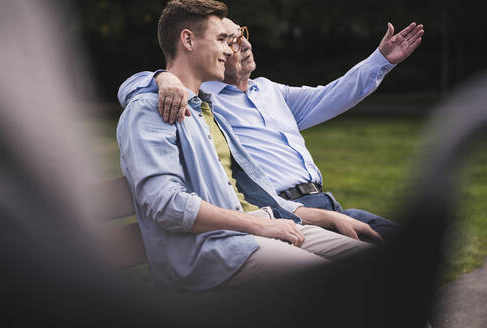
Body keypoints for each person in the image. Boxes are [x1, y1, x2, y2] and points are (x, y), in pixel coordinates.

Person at [117, 0, 378, 293]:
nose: (230, 51)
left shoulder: (210, 112)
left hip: (255, 228)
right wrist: (261, 227)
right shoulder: (150, 109)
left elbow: (253, 197)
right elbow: (168, 206)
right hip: (213, 252)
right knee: (346, 285)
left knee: (379, 266)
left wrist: (329, 217)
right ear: (188, 39)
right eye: (222, 40)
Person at [118, 16, 424, 241]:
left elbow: (333, 94)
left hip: (326, 202)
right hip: (280, 209)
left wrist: (381, 60)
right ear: (217, 51)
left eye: (243, 35)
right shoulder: (204, 100)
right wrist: (162, 77)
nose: (245, 45)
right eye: (232, 41)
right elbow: (138, 87)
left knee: (407, 244)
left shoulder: (270, 91)